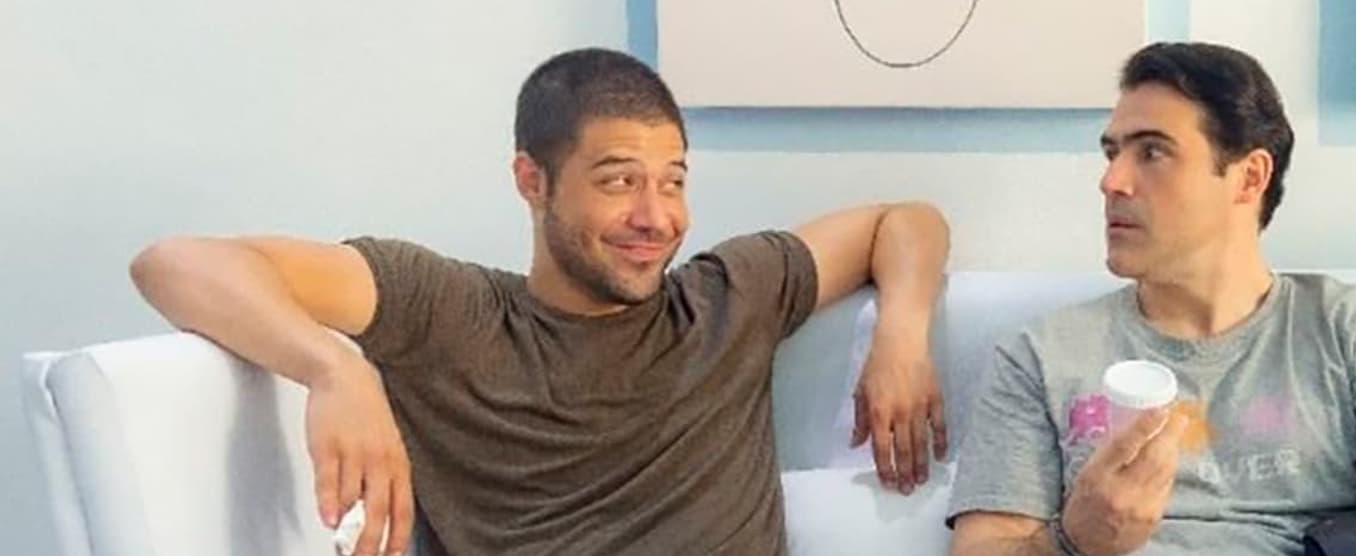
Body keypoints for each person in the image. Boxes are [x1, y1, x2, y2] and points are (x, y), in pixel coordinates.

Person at [130, 48, 952, 555]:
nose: (656, 217)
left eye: (672, 182)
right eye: (619, 181)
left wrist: (902, 334)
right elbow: (174, 263)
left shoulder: (726, 300)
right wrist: (332, 369)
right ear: (533, 181)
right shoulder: (448, 312)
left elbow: (907, 220)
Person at [944, 42, 1356, 555]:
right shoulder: (1042, 356)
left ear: (1249, 177)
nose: (1112, 181)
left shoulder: (1355, 332)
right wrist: (1073, 541)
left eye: (1151, 152)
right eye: (1111, 153)